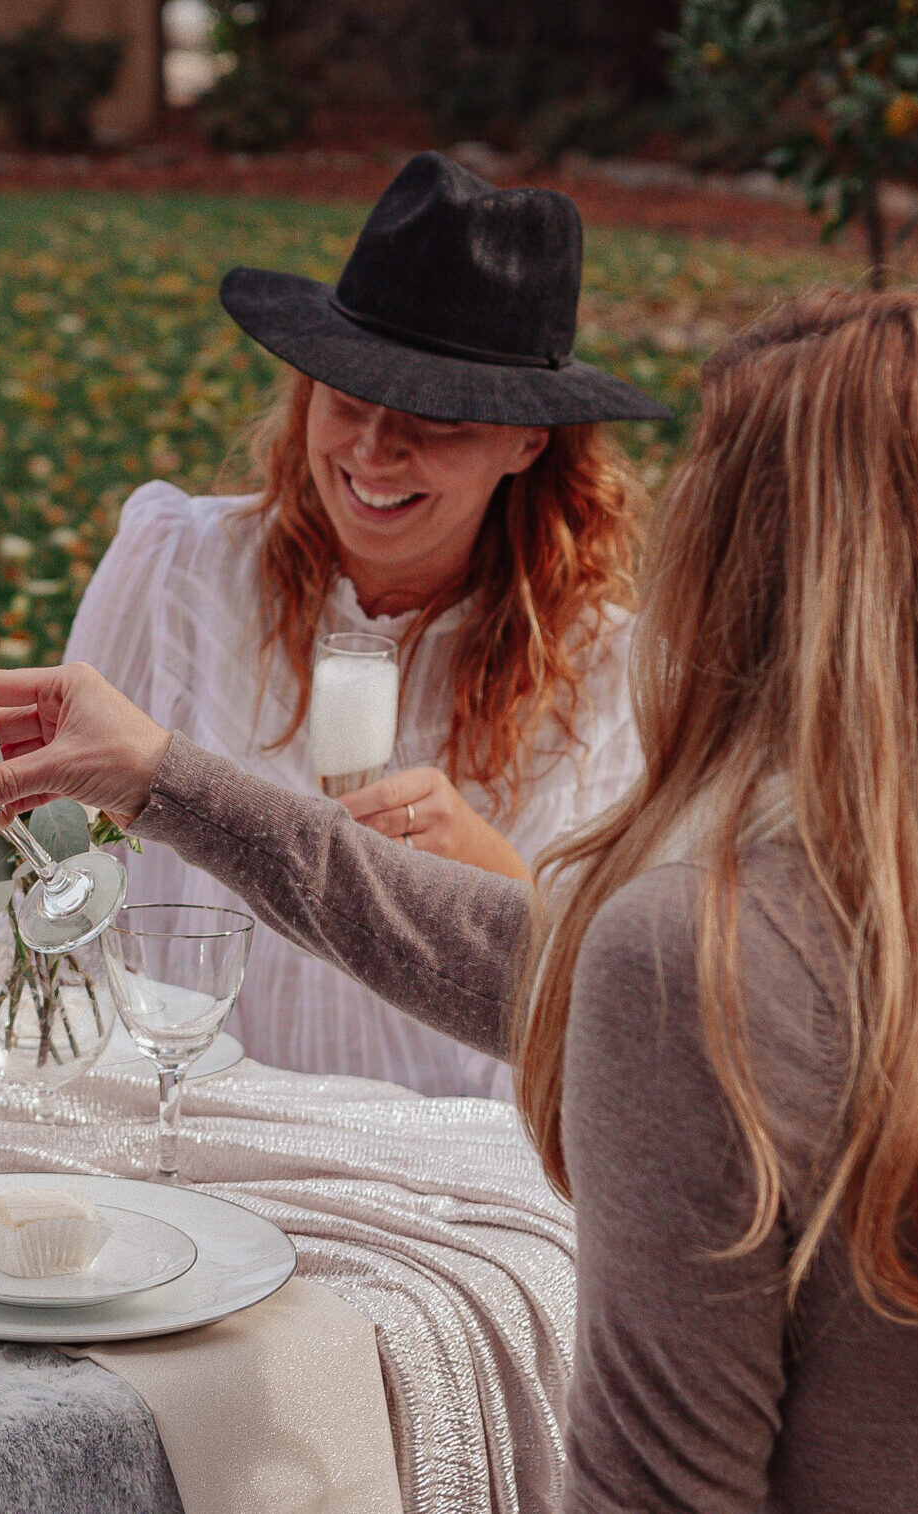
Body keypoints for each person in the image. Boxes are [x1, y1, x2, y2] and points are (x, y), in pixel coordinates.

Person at [0, 288, 918, 1506]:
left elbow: (659, 1488)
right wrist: (162, 776)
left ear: (759, 562)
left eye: (709, 482)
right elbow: (542, 961)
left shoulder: (703, 935)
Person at [66, 152, 665, 1097]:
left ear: (525, 439)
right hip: (190, 1103)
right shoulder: (178, 564)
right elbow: (66, 849)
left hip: (448, 1150)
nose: (376, 450)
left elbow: (612, 991)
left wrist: (483, 866)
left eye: (435, 418)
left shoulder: (603, 663)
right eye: (348, 397)